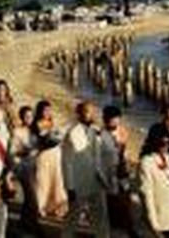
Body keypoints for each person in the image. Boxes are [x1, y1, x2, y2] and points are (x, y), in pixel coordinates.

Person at [62, 100, 109, 238]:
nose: (91, 114)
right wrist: (70, 187)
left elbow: (99, 154)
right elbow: (67, 162)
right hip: (79, 181)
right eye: (88, 111)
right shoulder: (73, 133)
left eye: (93, 111)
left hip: (96, 178)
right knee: (73, 216)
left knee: (101, 215)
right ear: (79, 114)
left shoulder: (95, 130)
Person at [139, 124, 169, 237]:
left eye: (167, 143)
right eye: (162, 144)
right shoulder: (146, 162)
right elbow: (147, 195)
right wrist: (153, 225)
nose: (165, 147)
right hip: (161, 221)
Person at [30, 99, 68, 219]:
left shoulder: (52, 122)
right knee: (43, 182)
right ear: (40, 111)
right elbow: (41, 142)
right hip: (44, 155)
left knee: (57, 180)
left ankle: (58, 207)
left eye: (49, 110)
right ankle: (41, 207)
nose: (48, 112)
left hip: (55, 154)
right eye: (45, 110)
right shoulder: (36, 124)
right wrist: (55, 139)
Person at [100, 105, 132, 232]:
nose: (115, 122)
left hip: (122, 169)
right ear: (106, 120)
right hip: (109, 170)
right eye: (113, 119)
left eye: (117, 119)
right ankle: (114, 225)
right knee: (112, 199)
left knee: (124, 196)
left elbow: (126, 150)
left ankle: (126, 224)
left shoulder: (122, 131)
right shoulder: (101, 135)